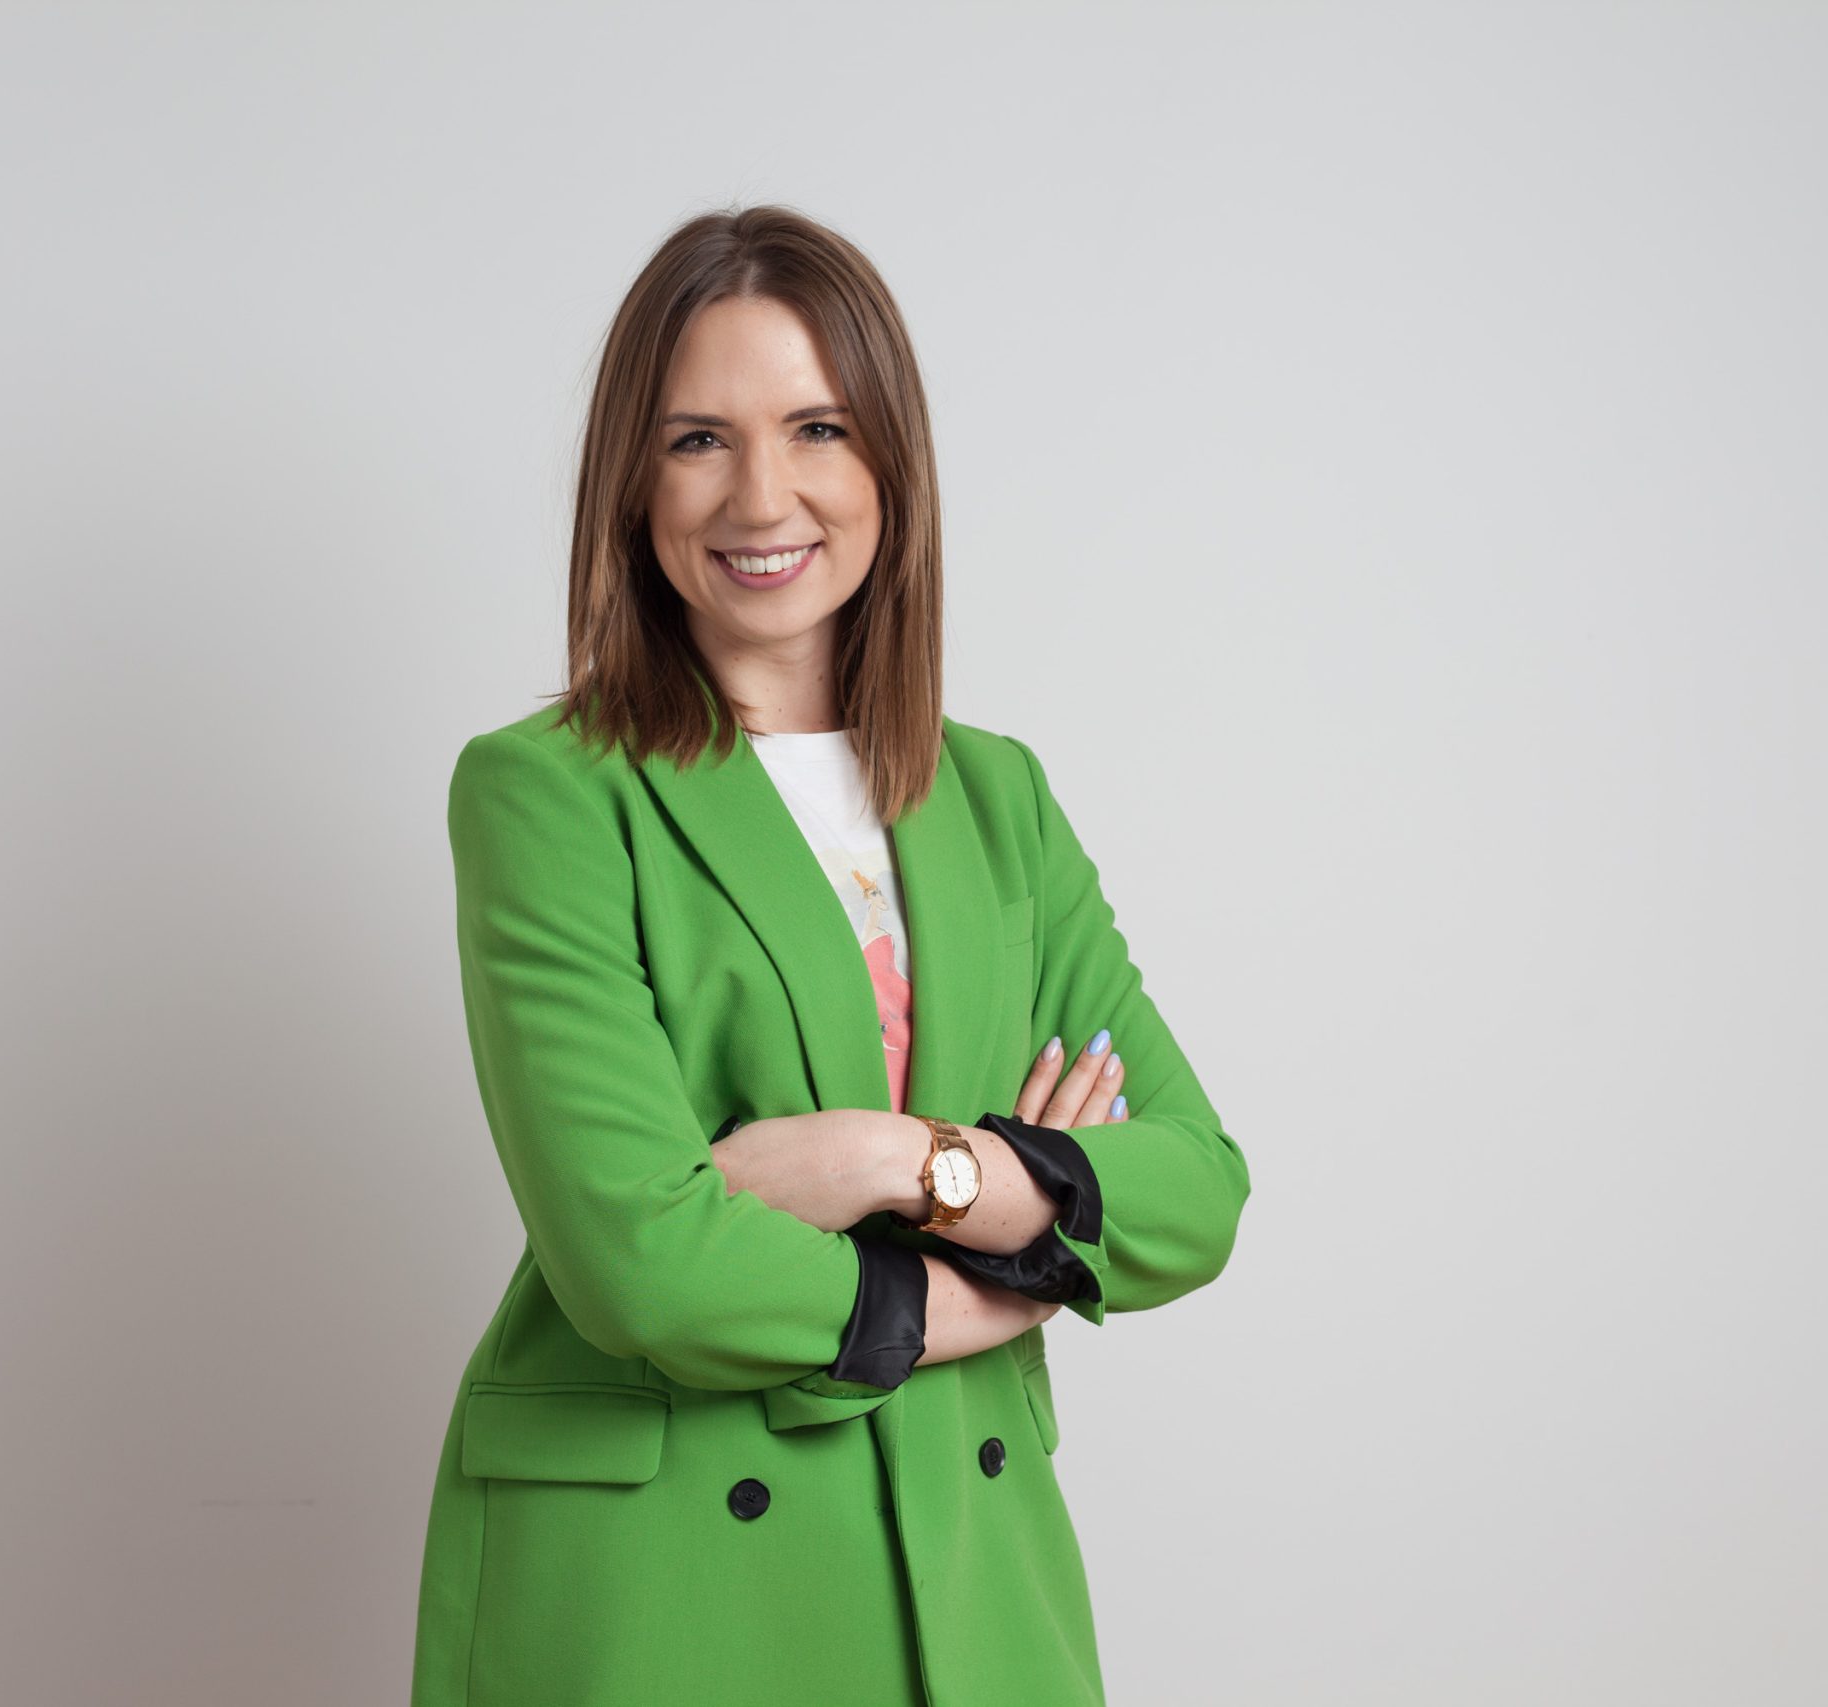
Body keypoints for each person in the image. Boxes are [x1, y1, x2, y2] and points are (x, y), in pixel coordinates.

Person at [409, 204, 1253, 1707]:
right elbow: (646, 1264)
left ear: (888, 467)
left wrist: (894, 1161)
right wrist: (1001, 1270)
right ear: (631, 479)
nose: (763, 495)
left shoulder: (995, 794)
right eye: (697, 439)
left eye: (817, 429)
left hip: (971, 1561)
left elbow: (1191, 1188)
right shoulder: (547, 794)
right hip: (667, 1583)